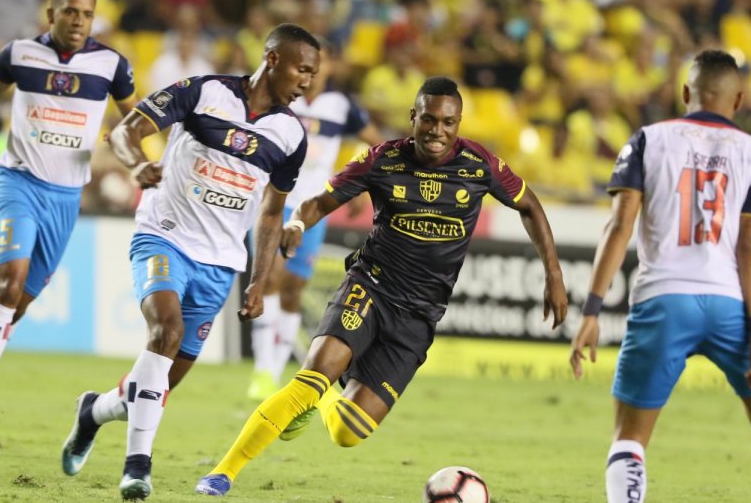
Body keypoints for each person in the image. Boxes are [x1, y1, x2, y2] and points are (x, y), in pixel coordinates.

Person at [195, 76, 569, 497]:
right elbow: (319, 202)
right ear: (414, 117)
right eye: (429, 120)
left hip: (419, 314)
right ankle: (223, 473)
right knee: (312, 377)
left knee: (347, 432)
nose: (437, 131)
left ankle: (323, 399)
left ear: (459, 123)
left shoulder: (479, 165)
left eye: (448, 122)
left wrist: (553, 274)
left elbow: (529, 205)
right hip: (370, 286)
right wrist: (297, 224)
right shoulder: (382, 160)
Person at [59, 24, 321, 500]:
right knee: (166, 330)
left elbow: (271, 211)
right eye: (302, 69)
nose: (307, 82)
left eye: (313, 74)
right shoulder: (204, 92)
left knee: (157, 384)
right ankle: (137, 467)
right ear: (273, 59)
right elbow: (127, 130)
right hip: (164, 236)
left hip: (220, 263)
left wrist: (258, 280)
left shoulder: (290, 135)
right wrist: (137, 163)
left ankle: (93, 411)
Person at [568, 50, 751, 503]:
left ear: (686, 92)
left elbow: (619, 225)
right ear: (739, 100)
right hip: (730, 306)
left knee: (629, 440)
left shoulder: (648, 139)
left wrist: (592, 310)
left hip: (664, 300)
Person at [0, 0, 136, 439]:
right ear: (52, 15)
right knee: (7, 284)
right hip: (18, 182)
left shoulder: (111, 65)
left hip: (66, 198)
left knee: (17, 306)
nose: (78, 21)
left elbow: (133, 120)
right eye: (70, 12)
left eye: (86, 14)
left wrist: (129, 148)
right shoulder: (20, 54)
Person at [247, 39, 383, 400]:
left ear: (331, 66)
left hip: (313, 209)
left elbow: (376, 146)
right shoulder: (281, 95)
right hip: (273, 201)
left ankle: (276, 370)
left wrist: (361, 185)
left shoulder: (341, 105)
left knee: (293, 288)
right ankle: (263, 371)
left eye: (321, 62)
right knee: (269, 278)